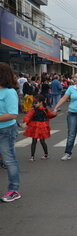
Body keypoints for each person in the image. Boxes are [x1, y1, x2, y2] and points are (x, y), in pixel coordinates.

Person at [0, 63, 21, 202]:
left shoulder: (9, 92)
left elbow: (13, 114)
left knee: (9, 160)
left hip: (6, 130)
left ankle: (14, 190)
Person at [21, 95, 57, 161]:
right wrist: (25, 122)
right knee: (34, 141)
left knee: (42, 141)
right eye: (34, 103)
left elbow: (50, 115)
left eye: (36, 102)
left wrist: (54, 113)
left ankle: (46, 154)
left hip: (42, 127)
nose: (34, 104)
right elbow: (28, 116)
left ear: (41, 102)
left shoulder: (46, 110)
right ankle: (32, 156)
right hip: (35, 126)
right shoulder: (33, 110)